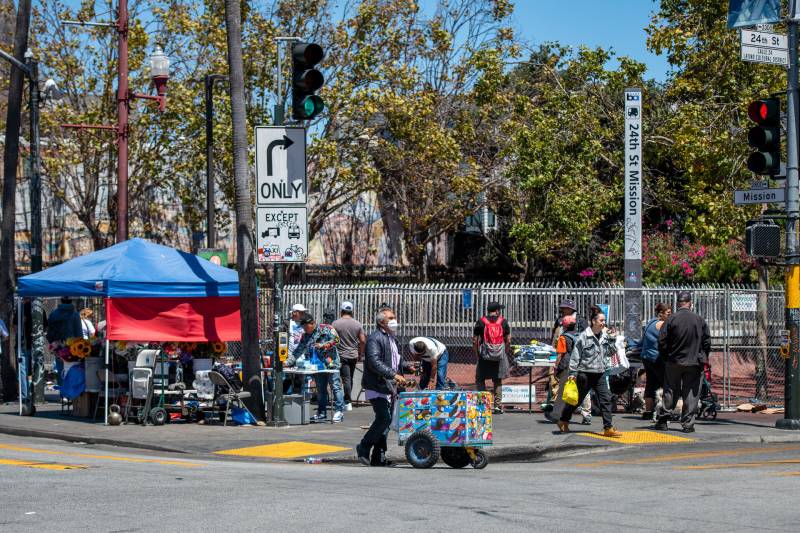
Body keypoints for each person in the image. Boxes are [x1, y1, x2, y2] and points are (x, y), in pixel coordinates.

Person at [355, 307, 414, 467]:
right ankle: (363, 447)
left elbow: (395, 360)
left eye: (395, 317)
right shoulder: (375, 338)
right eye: (391, 318)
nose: (395, 320)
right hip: (378, 385)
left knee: (386, 424)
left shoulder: (392, 338)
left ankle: (378, 457)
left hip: (390, 387)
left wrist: (407, 367)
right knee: (384, 418)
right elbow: (374, 362)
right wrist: (393, 374)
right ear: (381, 322)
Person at [557, 307, 622, 437]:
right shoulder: (584, 337)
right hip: (585, 373)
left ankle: (608, 427)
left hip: (600, 373)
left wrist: (613, 340)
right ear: (593, 321)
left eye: (604, 320)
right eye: (601, 320)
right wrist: (572, 374)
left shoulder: (605, 336)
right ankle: (563, 420)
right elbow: (576, 356)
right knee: (576, 400)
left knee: (606, 399)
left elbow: (610, 353)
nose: (604, 323)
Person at [656, 291, 711, 433]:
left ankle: (663, 420)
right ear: (690, 303)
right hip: (694, 361)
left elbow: (661, 341)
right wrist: (703, 356)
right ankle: (687, 424)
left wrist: (666, 357)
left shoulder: (671, 319)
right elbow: (707, 341)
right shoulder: (699, 320)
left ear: (678, 303)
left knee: (670, 391)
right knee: (691, 393)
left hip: (674, 361)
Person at [291, 313, 345, 423]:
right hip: (317, 366)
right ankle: (321, 412)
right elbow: (298, 351)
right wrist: (287, 362)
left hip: (331, 364)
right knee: (321, 390)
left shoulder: (326, 328)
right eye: (303, 327)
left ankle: (339, 411)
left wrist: (324, 345)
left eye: (306, 327)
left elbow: (337, 340)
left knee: (335, 387)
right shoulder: (305, 336)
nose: (305, 329)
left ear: (313, 323)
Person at [547, 314, 590, 424]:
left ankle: (556, 414)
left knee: (562, 390)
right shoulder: (580, 335)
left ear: (564, 326)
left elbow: (560, 354)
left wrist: (556, 366)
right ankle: (586, 414)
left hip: (567, 366)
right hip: (580, 365)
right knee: (583, 391)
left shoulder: (563, 337)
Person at [473, 302, 511, 414]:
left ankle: (483, 405)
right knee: (497, 380)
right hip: (499, 355)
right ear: (497, 310)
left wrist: (477, 354)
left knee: (480, 379)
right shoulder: (503, 322)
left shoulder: (481, 322)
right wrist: (504, 352)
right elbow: (508, 340)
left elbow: (475, 340)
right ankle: (498, 406)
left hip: (484, 355)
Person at [640, 302, 672, 420]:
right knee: (665, 383)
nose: (670, 315)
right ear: (661, 314)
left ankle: (648, 411)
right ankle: (663, 410)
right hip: (656, 358)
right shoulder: (662, 324)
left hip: (646, 357)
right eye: (668, 313)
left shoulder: (651, 322)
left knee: (651, 383)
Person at [332, 301, 366, 411]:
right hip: (353, 355)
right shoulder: (357, 324)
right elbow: (362, 340)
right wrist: (360, 354)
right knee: (349, 378)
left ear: (341, 310)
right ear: (352, 311)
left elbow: (331, 340)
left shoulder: (336, 324)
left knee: (345, 379)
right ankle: (346, 400)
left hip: (341, 355)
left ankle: (347, 401)